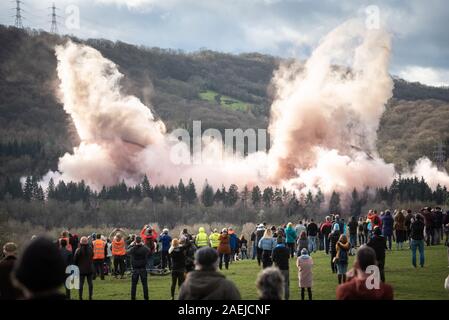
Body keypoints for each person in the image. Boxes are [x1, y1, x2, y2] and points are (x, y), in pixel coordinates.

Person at [127, 236, 150, 300]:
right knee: (145, 285)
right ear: (141, 241)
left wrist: (130, 245)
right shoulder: (144, 248)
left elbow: (127, 251)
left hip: (135, 268)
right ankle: (146, 297)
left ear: (135, 241)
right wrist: (143, 244)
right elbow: (149, 250)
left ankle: (133, 297)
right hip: (143, 268)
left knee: (133, 285)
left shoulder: (133, 248)